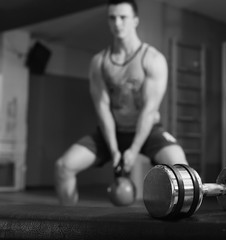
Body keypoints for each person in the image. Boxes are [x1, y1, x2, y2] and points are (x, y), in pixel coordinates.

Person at [55, 0, 188, 205]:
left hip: (147, 129)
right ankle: (69, 222)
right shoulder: (100, 62)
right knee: (63, 166)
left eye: (123, 17)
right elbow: (102, 109)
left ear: (135, 20)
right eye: (112, 18)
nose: (117, 23)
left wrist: (133, 151)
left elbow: (148, 110)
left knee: (181, 168)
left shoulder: (152, 59)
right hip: (112, 131)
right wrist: (115, 150)